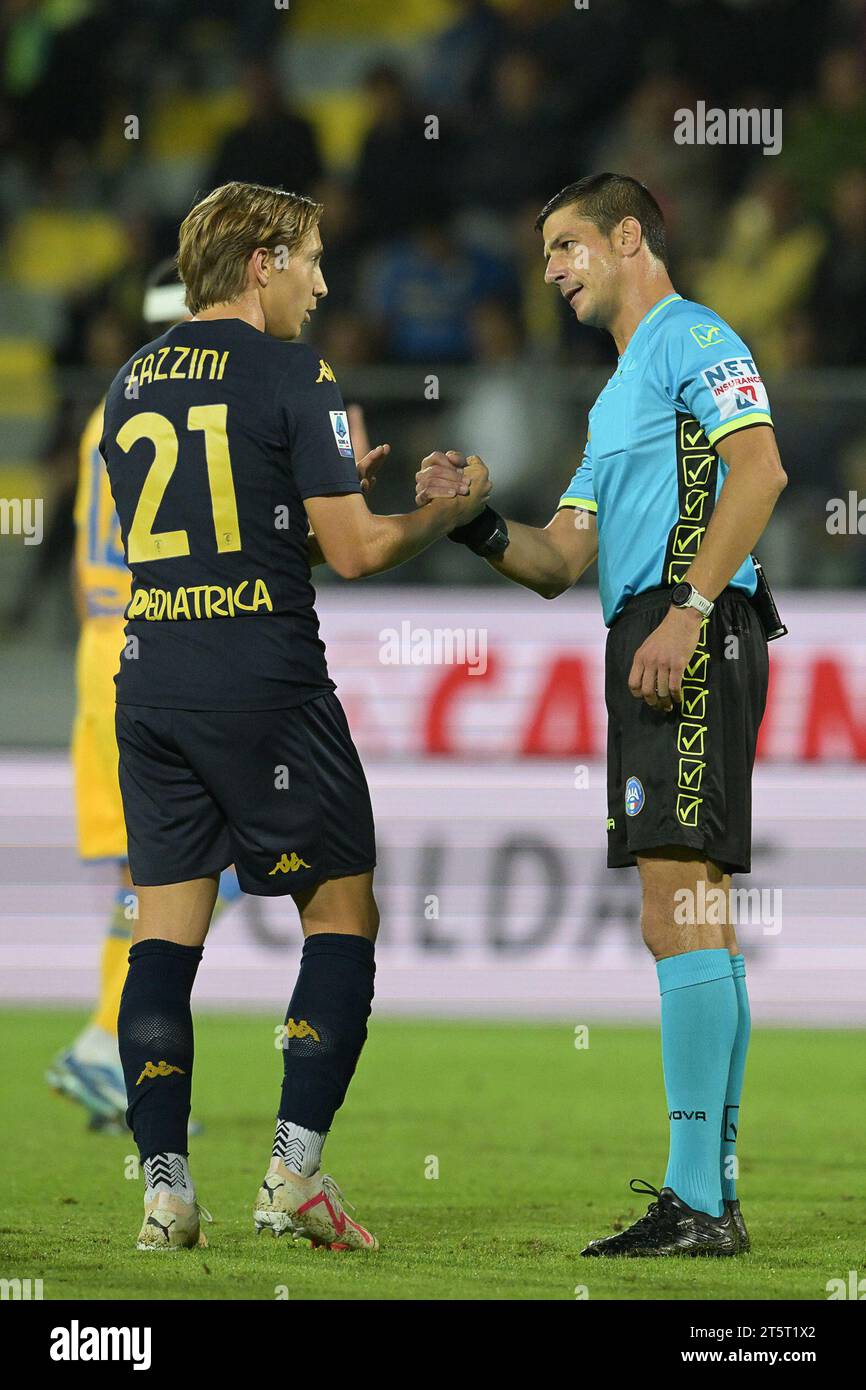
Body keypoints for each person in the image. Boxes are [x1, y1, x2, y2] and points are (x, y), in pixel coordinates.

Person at [99, 181, 489, 1251]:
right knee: (341, 911)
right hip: (264, 682)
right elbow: (357, 554)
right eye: (311, 259)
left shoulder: (131, 381)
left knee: (164, 938)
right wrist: (438, 512)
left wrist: (316, 498)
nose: (321, 283)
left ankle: (166, 1194)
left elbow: (229, 533)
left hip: (154, 681)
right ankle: (291, 1178)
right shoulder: (292, 370)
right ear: (262, 258)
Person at [416, 173, 787, 1257]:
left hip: (686, 632)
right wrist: (468, 518)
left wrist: (687, 609)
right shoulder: (619, 392)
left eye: (566, 246)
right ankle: (708, 1194)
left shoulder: (690, 336)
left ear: (628, 236)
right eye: (542, 257)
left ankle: (694, 1200)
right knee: (690, 907)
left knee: (676, 900)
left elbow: (757, 472)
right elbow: (557, 558)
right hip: (650, 632)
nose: (551, 271)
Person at [47, 262, 241, 1133]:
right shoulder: (178, 412)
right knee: (180, 872)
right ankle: (104, 1044)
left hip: (99, 655)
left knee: (149, 875)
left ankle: (123, 1060)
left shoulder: (112, 406)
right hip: (151, 652)